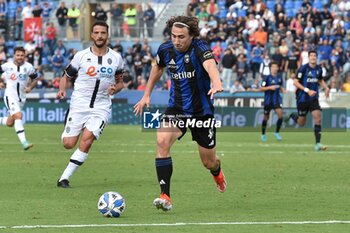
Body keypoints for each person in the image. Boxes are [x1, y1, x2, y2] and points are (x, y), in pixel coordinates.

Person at [134, 15, 227, 212]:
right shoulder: (166, 49)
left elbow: (210, 65)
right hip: (177, 109)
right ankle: (165, 195)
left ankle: (217, 172)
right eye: (174, 36)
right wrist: (146, 95)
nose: (176, 40)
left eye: (181, 37)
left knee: (208, 161)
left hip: (202, 113)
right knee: (162, 141)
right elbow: (157, 68)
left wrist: (216, 82)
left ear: (192, 36)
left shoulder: (200, 48)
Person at [56, 22, 124, 188]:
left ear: (107, 35)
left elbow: (121, 82)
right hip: (79, 104)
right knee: (68, 144)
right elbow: (65, 76)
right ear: (92, 35)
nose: (100, 36)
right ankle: (69, 123)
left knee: (87, 141)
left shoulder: (116, 58)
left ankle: (64, 178)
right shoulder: (81, 56)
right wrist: (62, 89)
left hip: (101, 107)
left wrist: (116, 88)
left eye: (103, 33)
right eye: (96, 33)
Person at [287, 50, 330, 151]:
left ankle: (318, 144)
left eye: (315, 55)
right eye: (311, 56)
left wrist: (326, 88)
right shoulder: (303, 68)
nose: (313, 57)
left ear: (317, 57)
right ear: (309, 57)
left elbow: (320, 80)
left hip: (313, 98)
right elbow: (295, 82)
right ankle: (293, 116)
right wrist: (307, 90)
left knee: (318, 119)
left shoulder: (319, 69)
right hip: (302, 99)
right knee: (301, 123)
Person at [0, 47, 39, 150]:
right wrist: (1, 82)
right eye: (18, 55)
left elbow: (35, 79)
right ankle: (24, 142)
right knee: (18, 115)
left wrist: (30, 87)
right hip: (10, 96)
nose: (20, 57)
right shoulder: (7, 66)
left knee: (10, 123)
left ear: (24, 56)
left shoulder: (29, 67)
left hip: (21, 98)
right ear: (14, 55)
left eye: (22, 55)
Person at [256, 62, 285, 142]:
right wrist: (270, 87)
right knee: (266, 117)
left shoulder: (279, 77)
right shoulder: (266, 78)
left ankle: (277, 132)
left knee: (280, 115)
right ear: (270, 68)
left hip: (277, 100)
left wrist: (283, 90)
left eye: (276, 67)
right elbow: (261, 88)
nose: (275, 68)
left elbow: (280, 86)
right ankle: (263, 134)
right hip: (268, 101)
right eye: (273, 67)